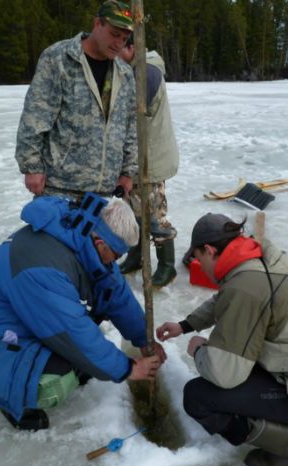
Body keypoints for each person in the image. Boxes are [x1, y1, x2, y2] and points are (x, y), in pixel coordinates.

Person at [156, 213, 288, 466]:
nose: (197, 264)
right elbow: (226, 299)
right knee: (233, 351)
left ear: (210, 250)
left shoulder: (246, 286)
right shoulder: (252, 261)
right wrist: (186, 325)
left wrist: (199, 351)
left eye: (198, 258)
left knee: (198, 396)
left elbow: (226, 375)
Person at [0, 193, 166, 430]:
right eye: (117, 256)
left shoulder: (80, 233)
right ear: (101, 244)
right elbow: (73, 334)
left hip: (25, 324)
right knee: (58, 378)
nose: (116, 263)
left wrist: (142, 337)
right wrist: (127, 368)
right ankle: (10, 399)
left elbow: (113, 291)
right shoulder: (42, 268)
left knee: (82, 355)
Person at [15, 0, 137, 201]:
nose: (118, 43)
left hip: (104, 195)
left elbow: (130, 125)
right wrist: (32, 166)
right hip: (60, 191)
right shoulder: (59, 58)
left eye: (124, 39)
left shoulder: (123, 73)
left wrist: (127, 172)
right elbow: (35, 116)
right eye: (114, 34)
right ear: (97, 24)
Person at [118, 36, 179, 287]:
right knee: (134, 213)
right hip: (136, 162)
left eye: (119, 48)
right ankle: (136, 256)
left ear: (132, 48)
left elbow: (130, 115)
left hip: (150, 161)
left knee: (154, 215)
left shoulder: (147, 72)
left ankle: (167, 266)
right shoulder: (133, 69)